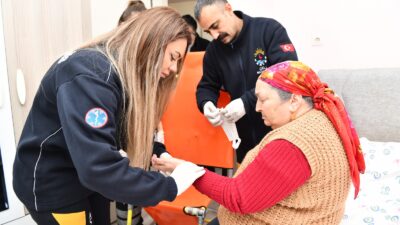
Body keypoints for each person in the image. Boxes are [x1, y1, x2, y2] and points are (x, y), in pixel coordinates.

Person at [12, 7, 205, 225]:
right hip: (56, 184)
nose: (172, 68)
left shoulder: (122, 73)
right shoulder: (92, 75)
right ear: (153, 40)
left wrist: (160, 153)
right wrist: (172, 186)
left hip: (84, 176)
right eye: (173, 57)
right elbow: (99, 167)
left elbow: (123, 127)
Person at [153, 61, 366, 225]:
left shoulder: (294, 144)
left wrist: (186, 170)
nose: (256, 108)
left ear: (294, 101)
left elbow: (238, 198)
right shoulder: (321, 119)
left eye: (263, 100)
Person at [194, 0, 298, 162]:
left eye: (215, 26)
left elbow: (287, 73)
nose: (214, 35)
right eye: (208, 32)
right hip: (246, 144)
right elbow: (207, 85)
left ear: (228, 9)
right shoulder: (213, 51)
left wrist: (246, 102)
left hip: (281, 135)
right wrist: (206, 103)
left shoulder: (268, 30)